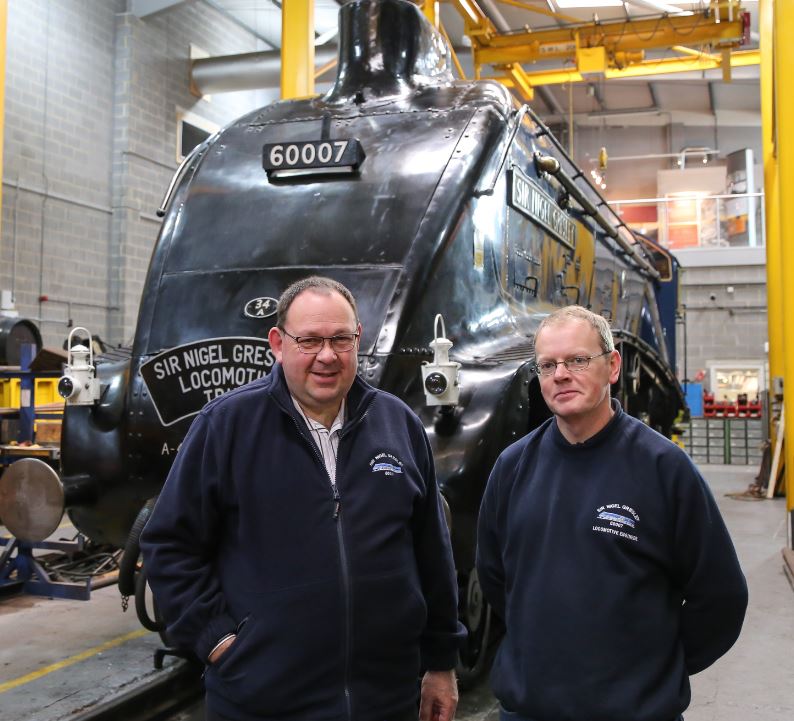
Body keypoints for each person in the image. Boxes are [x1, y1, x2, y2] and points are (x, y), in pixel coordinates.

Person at [141, 276, 464, 721]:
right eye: (309, 340)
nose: (327, 356)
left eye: (340, 339)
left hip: (385, 700)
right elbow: (168, 545)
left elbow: (433, 554)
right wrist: (217, 641)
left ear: (358, 340)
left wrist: (442, 663)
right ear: (278, 343)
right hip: (263, 703)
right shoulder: (227, 425)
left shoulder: (398, 425)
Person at [476, 305, 748, 721]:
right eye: (547, 365)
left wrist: (656, 670)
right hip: (528, 709)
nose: (560, 375)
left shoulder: (664, 468)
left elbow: (722, 596)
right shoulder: (512, 467)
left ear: (613, 365)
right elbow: (496, 578)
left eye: (577, 360)